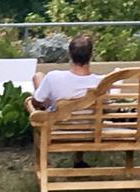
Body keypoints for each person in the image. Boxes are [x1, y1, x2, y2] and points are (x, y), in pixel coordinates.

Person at [30, 34, 101, 168]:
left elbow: (36, 102)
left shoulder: (54, 77)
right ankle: (78, 159)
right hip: (89, 128)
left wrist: (39, 103)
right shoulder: (101, 83)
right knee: (82, 111)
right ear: (91, 56)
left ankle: (42, 164)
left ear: (70, 54)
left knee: (38, 77)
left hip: (58, 127)